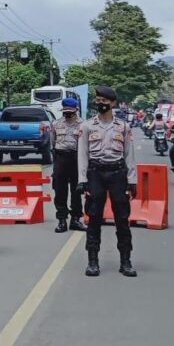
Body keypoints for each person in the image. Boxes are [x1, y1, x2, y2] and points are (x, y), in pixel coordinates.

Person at [77, 86, 137, 278]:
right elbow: (82, 155)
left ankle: (125, 261)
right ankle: (92, 261)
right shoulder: (86, 126)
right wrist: (82, 179)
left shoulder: (123, 126)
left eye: (104, 100)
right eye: (98, 100)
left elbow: (129, 154)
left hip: (117, 173)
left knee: (122, 218)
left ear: (113, 103)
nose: (100, 103)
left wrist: (132, 180)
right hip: (96, 173)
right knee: (94, 218)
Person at [49, 98, 87, 233]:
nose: (68, 114)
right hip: (61, 157)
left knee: (77, 190)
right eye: (65, 112)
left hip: (77, 158)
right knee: (60, 190)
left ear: (76, 110)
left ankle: (75, 219)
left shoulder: (83, 124)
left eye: (70, 112)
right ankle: (62, 220)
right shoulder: (56, 124)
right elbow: (53, 142)